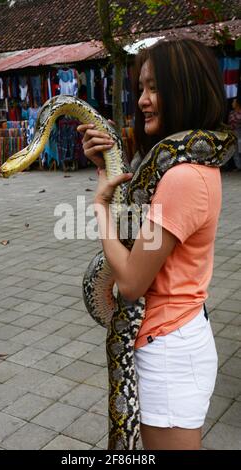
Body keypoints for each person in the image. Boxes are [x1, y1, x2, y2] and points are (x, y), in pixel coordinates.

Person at [77, 39, 229, 450]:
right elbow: (139, 234)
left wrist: (100, 207)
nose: (143, 100)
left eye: (155, 88)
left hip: (169, 352)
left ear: (187, 89)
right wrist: (105, 168)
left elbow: (129, 283)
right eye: (141, 88)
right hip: (173, 334)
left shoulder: (182, 176)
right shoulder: (182, 165)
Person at [228, 97, 241, 169]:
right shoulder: (231, 112)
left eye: (234, 102)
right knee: (235, 150)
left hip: (239, 132)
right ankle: (238, 166)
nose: (232, 103)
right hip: (233, 133)